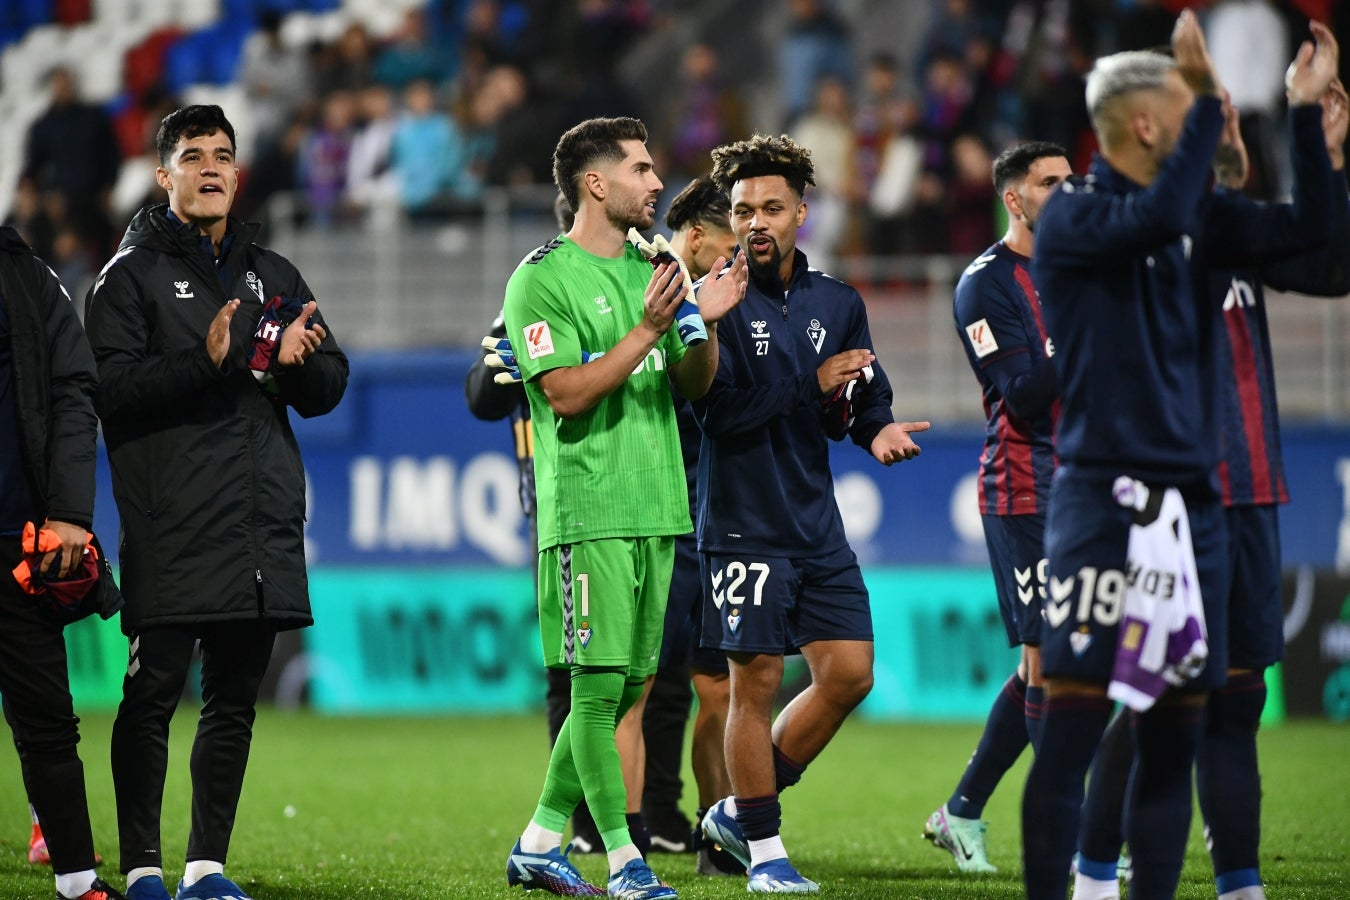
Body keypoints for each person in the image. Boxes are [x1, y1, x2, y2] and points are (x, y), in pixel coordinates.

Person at [1021, 13, 1337, 900]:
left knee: (1174, 733)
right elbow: (1158, 211)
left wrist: (1307, 120)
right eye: (1190, 104)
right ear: (1152, 123)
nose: (1209, 111)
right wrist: (1206, 98)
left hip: (1196, 506)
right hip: (1100, 503)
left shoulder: (1198, 215)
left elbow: (1317, 239)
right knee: (1078, 726)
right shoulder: (1075, 217)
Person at [83, 104, 350, 900]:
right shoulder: (125, 280)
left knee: (234, 702)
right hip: (173, 523)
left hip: (258, 525)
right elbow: (112, 395)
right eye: (192, 155)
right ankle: (141, 868)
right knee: (152, 697)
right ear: (163, 175)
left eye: (222, 155)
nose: (210, 167)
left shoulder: (274, 273)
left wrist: (297, 364)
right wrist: (209, 361)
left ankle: (205, 868)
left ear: (237, 172)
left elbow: (330, 384)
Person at [502, 116, 747, 899]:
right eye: (641, 169)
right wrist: (650, 326)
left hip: (660, 508)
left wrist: (700, 321)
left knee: (628, 691)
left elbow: (694, 383)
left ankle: (540, 841)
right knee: (599, 692)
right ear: (594, 183)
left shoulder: (655, 263)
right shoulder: (540, 279)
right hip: (589, 511)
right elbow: (566, 395)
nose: (655, 183)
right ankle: (624, 861)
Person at [695, 133, 929, 893]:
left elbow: (852, 394)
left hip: (814, 523)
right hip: (741, 521)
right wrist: (810, 378)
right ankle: (765, 856)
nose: (754, 222)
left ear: (802, 212)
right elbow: (717, 415)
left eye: (769, 207)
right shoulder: (716, 302)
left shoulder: (839, 303)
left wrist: (876, 425)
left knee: (849, 674)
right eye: (741, 210)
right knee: (753, 683)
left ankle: (738, 811)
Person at [926, 140, 1070, 874]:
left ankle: (960, 810)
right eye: (1050, 183)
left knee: (1047, 664)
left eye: (1071, 180)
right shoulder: (984, 285)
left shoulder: (1082, 269)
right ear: (1014, 199)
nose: (1066, 192)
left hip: (1088, 483)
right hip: (1025, 486)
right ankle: (1077, 845)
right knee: (1054, 659)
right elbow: (1021, 395)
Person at [467, 192, 605, 854]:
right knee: (570, 670)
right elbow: (478, 394)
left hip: (615, 497)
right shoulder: (528, 298)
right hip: (553, 508)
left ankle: (649, 810)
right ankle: (577, 823)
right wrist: (517, 372)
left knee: (637, 674)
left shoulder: (620, 293)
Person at [0, 226, 124, 900]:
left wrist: (73, 511)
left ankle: (78, 882)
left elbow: (76, 389)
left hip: (15, 540)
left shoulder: (27, 276)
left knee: (46, 715)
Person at [626, 177, 744, 875]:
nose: (736, 263)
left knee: (720, 687)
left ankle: (719, 838)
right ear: (695, 238)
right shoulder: (645, 285)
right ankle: (625, 840)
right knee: (633, 685)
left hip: (716, 522)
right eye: (727, 248)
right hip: (655, 515)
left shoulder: (729, 297)